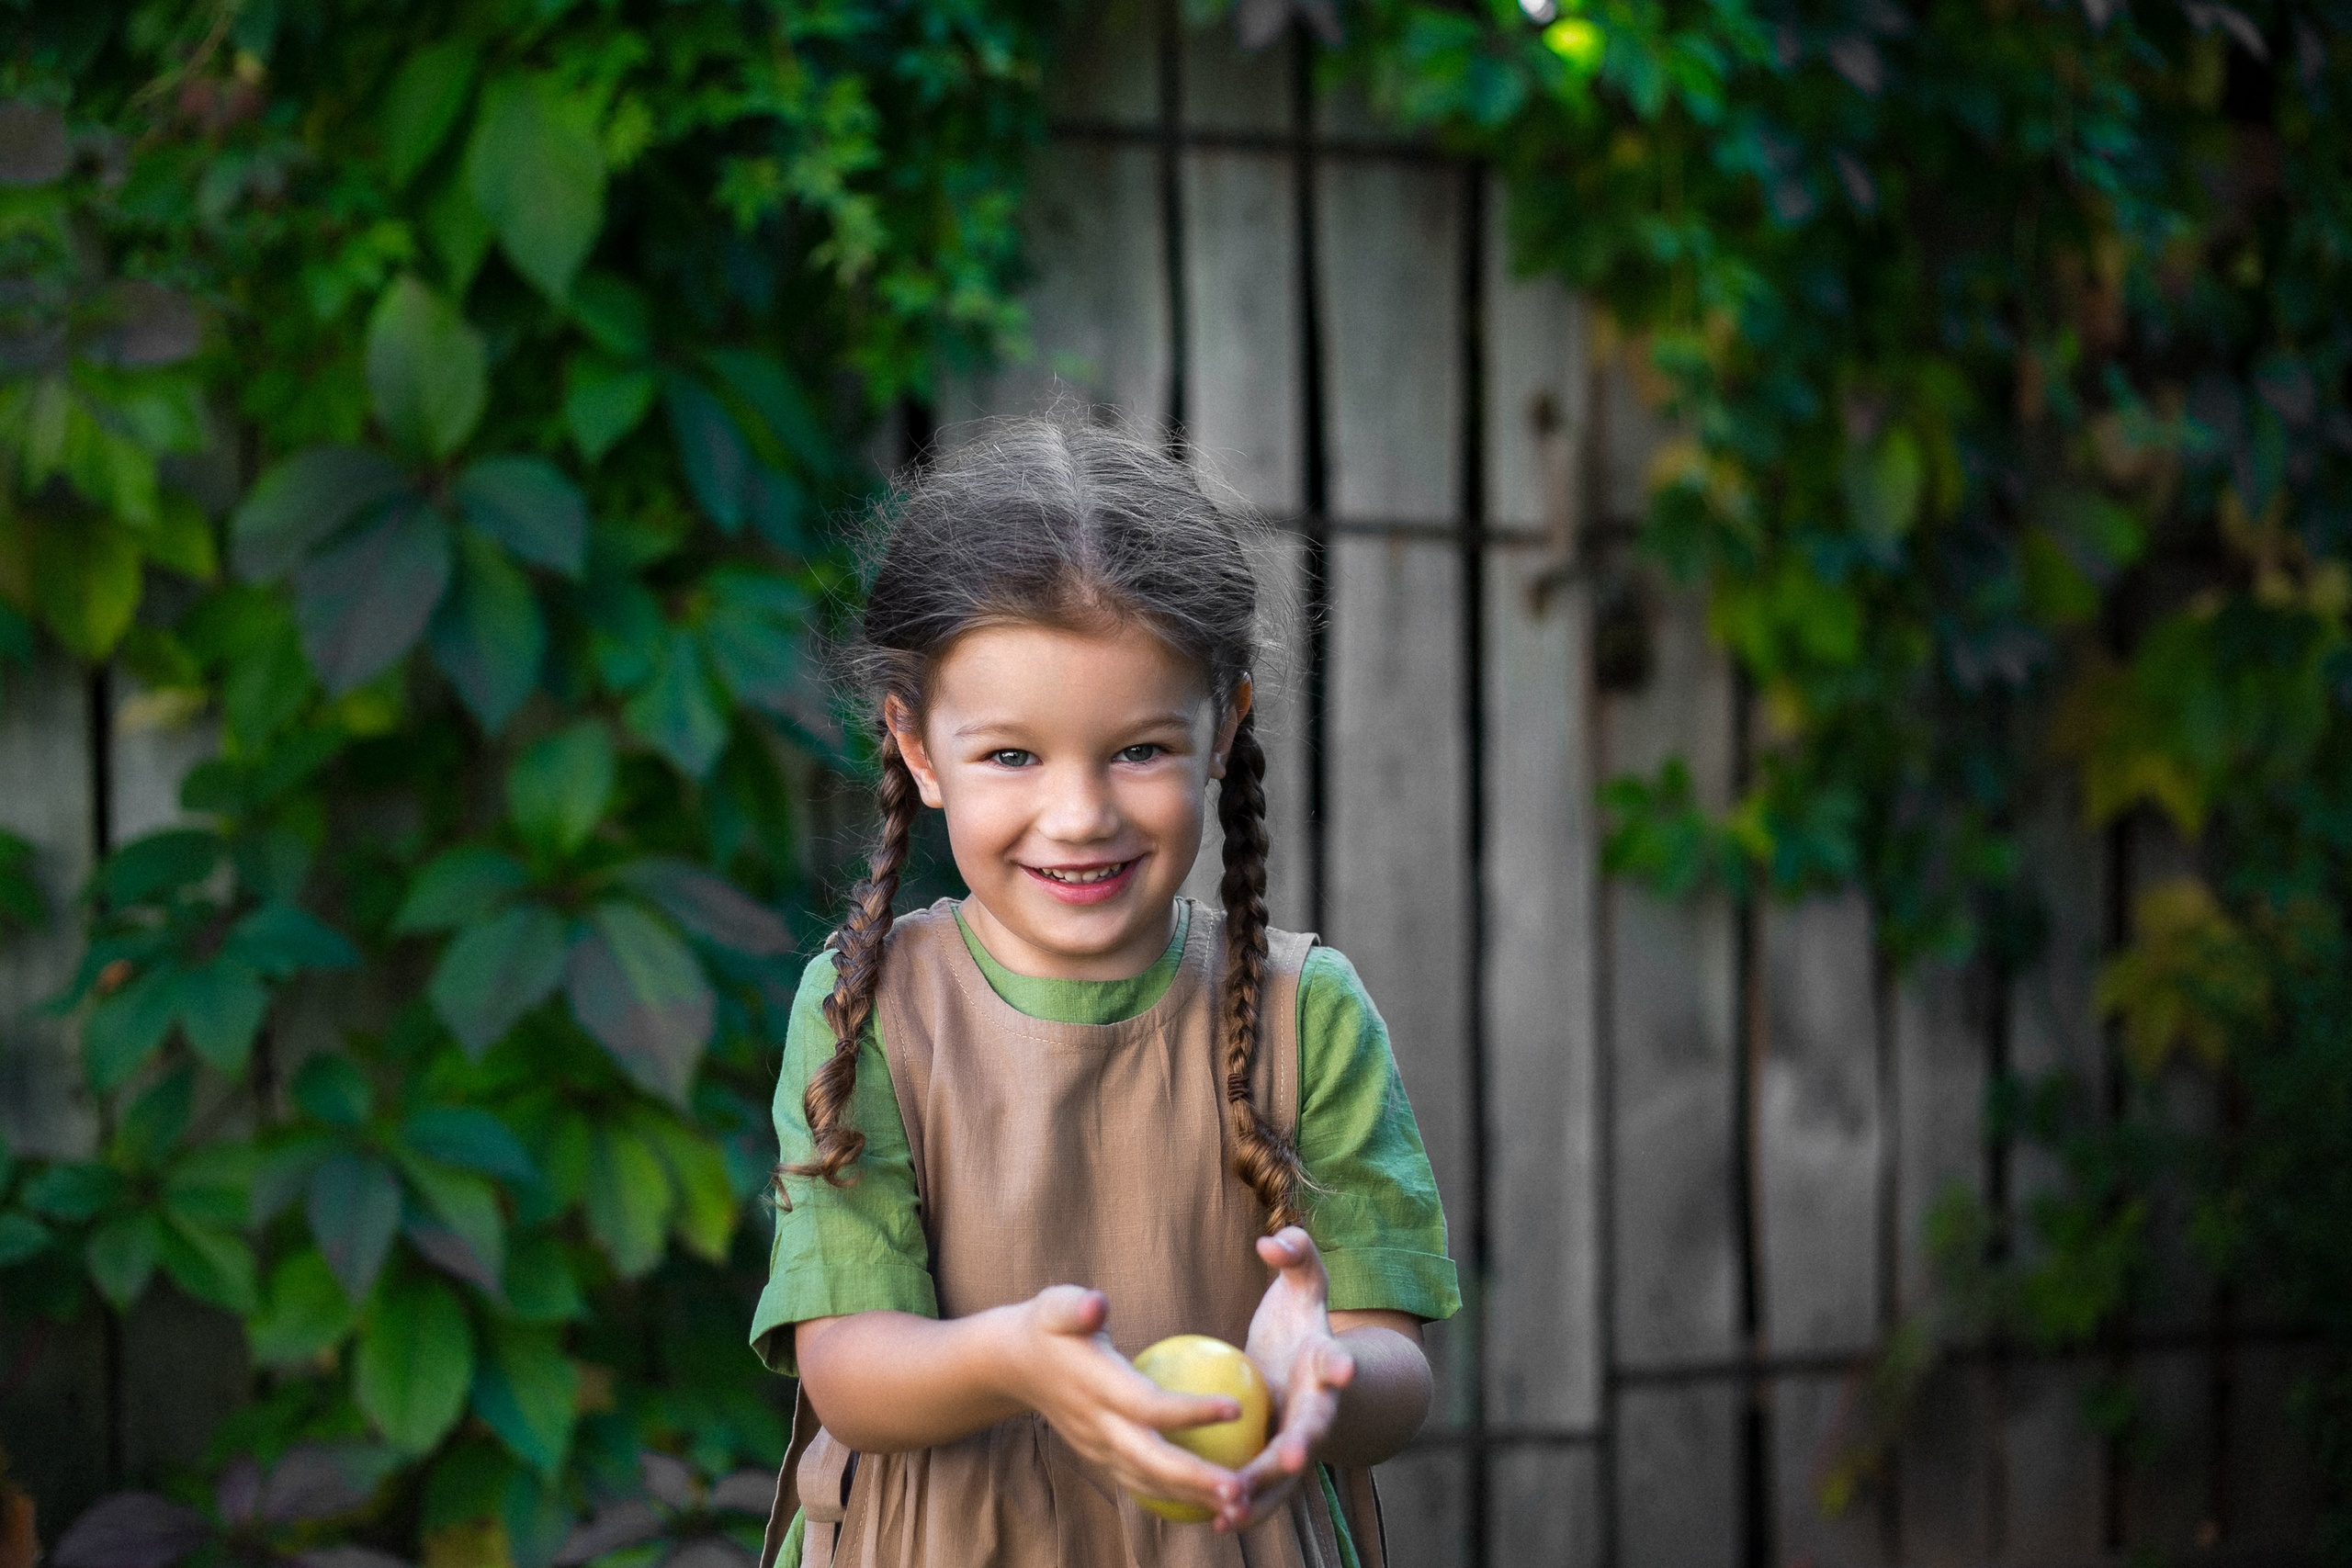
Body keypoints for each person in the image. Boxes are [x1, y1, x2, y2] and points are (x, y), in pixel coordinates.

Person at [748, 416, 1459, 1568]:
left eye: (1136, 750)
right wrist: (1015, 1359)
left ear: (1221, 727)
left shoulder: (1304, 1011)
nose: (1079, 815)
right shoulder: (863, 1009)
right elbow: (850, 1371)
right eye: (1013, 757)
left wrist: (1320, 1372)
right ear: (918, 748)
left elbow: (1396, 1370)